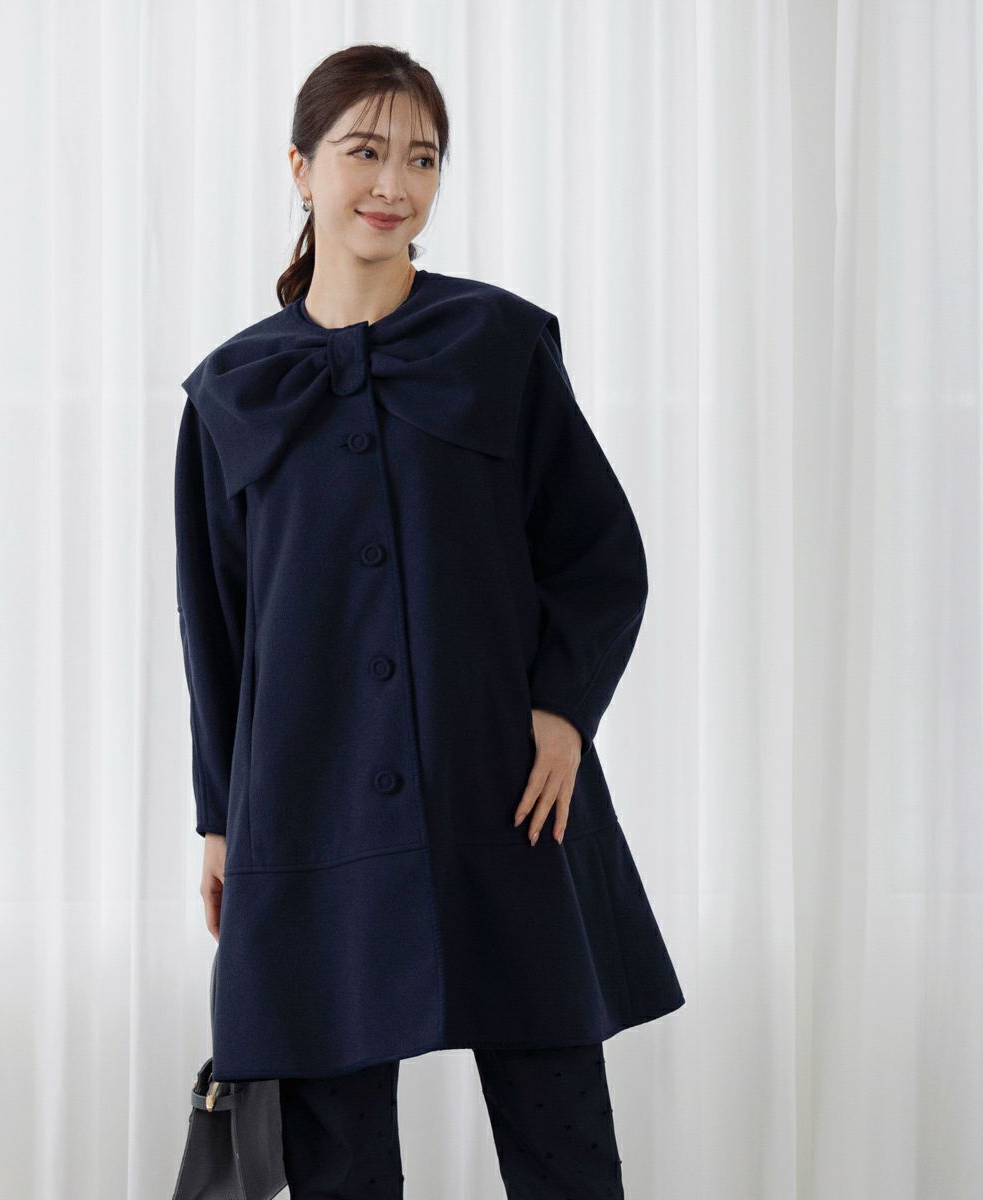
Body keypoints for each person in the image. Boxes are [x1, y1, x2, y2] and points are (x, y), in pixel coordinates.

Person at [174, 43, 685, 1199]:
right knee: (338, 1155)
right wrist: (219, 822)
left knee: (563, 1141)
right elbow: (216, 630)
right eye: (365, 152)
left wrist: (562, 711)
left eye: (422, 158)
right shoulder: (230, 394)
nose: (392, 182)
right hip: (309, 805)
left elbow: (601, 556)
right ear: (300, 168)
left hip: (504, 790)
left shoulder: (499, 346)